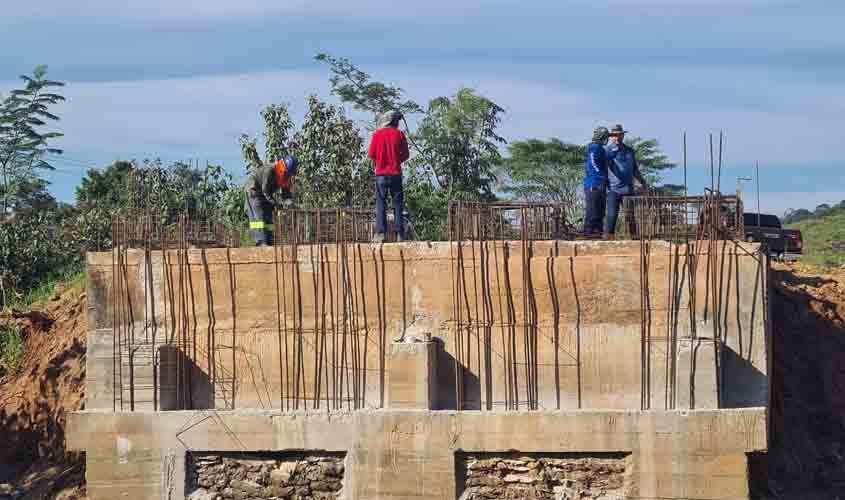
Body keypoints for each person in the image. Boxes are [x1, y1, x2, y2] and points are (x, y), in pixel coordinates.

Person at [368, 110, 410, 242]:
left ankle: (381, 234)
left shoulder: (377, 135)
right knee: (397, 204)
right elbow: (406, 155)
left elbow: (371, 154)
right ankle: (400, 234)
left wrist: (381, 161)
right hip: (396, 174)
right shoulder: (400, 135)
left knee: (381, 204)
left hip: (381, 175)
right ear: (395, 122)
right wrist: (397, 161)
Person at [604, 124, 648, 238]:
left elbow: (635, 169)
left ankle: (635, 241)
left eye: (619, 135)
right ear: (611, 137)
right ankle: (609, 241)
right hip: (613, 190)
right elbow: (603, 168)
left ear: (623, 136)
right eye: (614, 135)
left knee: (630, 217)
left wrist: (643, 182)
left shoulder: (629, 151)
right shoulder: (607, 151)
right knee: (612, 216)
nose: (617, 138)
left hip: (628, 190)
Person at [244, 155, 298, 246]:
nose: (287, 175)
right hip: (254, 191)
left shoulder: (286, 176)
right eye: (287, 173)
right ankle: (261, 242)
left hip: (265, 194)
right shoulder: (270, 170)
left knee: (269, 216)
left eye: (289, 174)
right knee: (259, 217)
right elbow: (265, 191)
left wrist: (289, 202)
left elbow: (286, 192)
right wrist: (276, 204)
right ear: (283, 168)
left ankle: (269, 241)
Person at [583, 126, 611, 236]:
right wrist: (600, 175)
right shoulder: (594, 147)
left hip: (600, 185)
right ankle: (589, 234)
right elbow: (593, 162)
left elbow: (603, 161)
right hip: (593, 184)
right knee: (592, 212)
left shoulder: (601, 149)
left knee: (600, 212)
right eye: (605, 137)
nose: (607, 139)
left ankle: (597, 234)